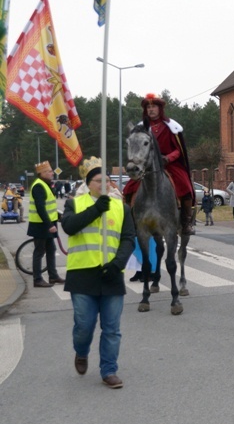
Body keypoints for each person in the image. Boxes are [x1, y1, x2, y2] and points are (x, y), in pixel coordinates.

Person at [60, 156, 135, 389]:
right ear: (88, 183)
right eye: (97, 180)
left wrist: (118, 264)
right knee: (84, 325)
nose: (103, 184)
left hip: (111, 275)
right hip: (82, 275)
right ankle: (81, 352)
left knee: (112, 328)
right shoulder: (75, 203)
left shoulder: (121, 208)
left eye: (107, 180)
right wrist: (95, 209)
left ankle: (109, 370)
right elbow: (70, 227)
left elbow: (128, 239)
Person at [122, 93, 195, 235]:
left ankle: (186, 223)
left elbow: (178, 150)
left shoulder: (171, 127)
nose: (151, 109)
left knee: (184, 184)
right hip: (146, 164)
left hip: (168, 163)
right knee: (129, 188)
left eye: (153, 106)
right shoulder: (140, 128)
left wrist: (167, 158)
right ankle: (129, 221)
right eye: (148, 107)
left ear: (160, 108)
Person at [28, 161, 66, 287]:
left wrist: (59, 217)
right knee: (39, 251)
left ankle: (53, 276)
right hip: (41, 225)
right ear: (42, 173)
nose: (52, 173)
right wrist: (50, 225)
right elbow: (40, 208)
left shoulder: (46, 184)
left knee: (51, 249)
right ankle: (37, 279)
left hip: (46, 223)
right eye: (49, 171)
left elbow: (49, 207)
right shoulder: (39, 186)